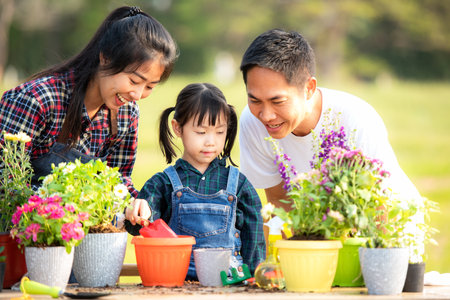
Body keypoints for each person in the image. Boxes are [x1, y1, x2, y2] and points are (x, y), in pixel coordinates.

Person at [0, 6, 178, 198]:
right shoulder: (38, 99)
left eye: (149, 87)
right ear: (105, 57)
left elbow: (118, 182)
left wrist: (140, 204)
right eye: (134, 81)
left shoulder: (127, 115)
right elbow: (5, 182)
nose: (137, 94)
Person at [238, 29, 421, 211]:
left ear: (309, 88)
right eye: (254, 100)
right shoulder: (252, 121)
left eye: (277, 101)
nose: (266, 115)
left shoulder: (355, 118)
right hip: (321, 228)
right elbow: (279, 201)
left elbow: (379, 205)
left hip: (393, 222)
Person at [125, 83, 266, 278]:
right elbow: (138, 228)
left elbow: (255, 240)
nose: (211, 141)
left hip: (231, 287)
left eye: (220, 132)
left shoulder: (239, 184)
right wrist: (137, 210)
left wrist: (256, 279)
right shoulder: (162, 183)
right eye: (201, 132)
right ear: (177, 128)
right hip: (176, 283)